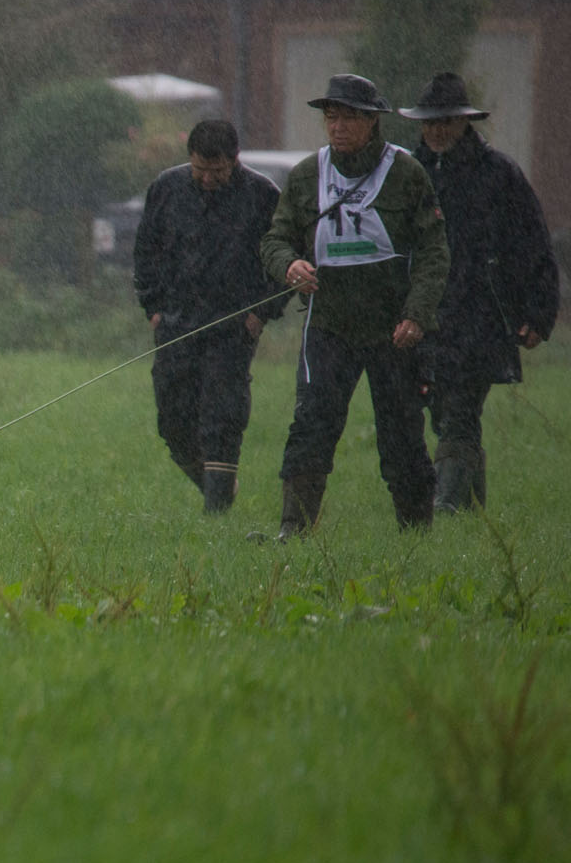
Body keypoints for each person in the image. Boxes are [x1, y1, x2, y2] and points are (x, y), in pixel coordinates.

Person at [259, 73, 449, 537]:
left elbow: (433, 251)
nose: (337, 126)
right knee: (311, 425)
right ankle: (294, 529)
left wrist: (416, 314)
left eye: (348, 117)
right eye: (331, 117)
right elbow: (275, 238)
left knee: (402, 432)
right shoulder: (306, 175)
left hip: (393, 330)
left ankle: (416, 531)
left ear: (372, 122)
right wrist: (289, 266)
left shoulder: (406, 174)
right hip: (328, 327)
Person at [399, 72, 559, 511]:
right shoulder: (406, 174)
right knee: (442, 411)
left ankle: (445, 509)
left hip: (480, 318)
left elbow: (533, 246)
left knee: (460, 411)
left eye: (445, 121)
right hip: (425, 315)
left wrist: (538, 313)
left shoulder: (499, 174)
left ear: (464, 122)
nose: (435, 130)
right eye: (429, 122)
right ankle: (471, 515)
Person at [133, 118, 288, 512]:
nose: (207, 179)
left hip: (234, 328)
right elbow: (145, 252)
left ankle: (216, 514)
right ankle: (217, 488)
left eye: (216, 172)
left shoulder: (262, 195)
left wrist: (261, 313)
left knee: (222, 414)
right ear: (190, 159)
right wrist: (153, 308)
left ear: (234, 161)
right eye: (200, 170)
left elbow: (283, 259)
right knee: (172, 418)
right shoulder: (165, 189)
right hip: (175, 323)